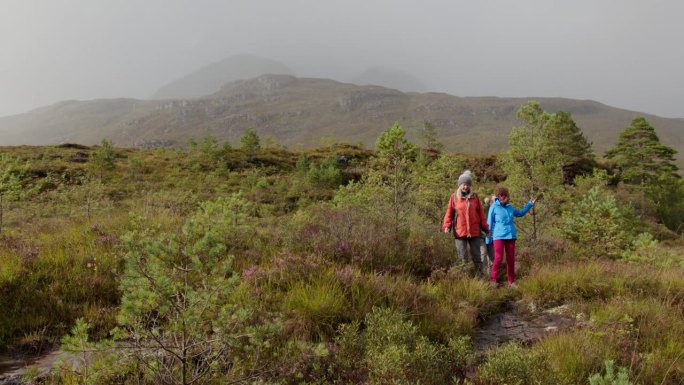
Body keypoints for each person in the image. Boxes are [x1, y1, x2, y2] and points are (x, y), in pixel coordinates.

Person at [486, 186, 537, 288]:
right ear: (497, 196)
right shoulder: (493, 207)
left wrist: (530, 204)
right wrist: (488, 238)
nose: (502, 197)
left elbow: (520, 213)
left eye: (504, 195)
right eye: (500, 195)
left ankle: (511, 281)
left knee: (511, 259)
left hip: (510, 236)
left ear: (507, 196)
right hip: (498, 236)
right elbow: (489, 223)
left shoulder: (510, 207)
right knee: (498, 258)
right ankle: (493, 280)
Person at [441, 170, 489, 276]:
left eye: (467, 184)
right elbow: (449, 213)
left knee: (477, 258)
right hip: (460, 232)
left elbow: (481, 215)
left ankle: (480, 279)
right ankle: (463, 280)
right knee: (462, 258)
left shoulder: (475, 197)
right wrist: (447, 226)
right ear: (460, 185)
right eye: (463, 184)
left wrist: (486, 228)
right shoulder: (454, 197)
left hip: (475, 232)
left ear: (469, 185)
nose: (465, 187)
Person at [480, 195, 496, 274]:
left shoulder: (494, 208)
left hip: (491, 236)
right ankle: (485, 275)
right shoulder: (482, 209)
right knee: (483, 255)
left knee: (492, 257)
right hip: (482, 236)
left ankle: (493, 275)